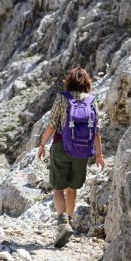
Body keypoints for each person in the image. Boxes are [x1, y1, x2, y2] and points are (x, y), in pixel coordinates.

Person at [38, 67, 105, 248]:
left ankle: (63, 224)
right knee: (72, 189)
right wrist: (99, 155)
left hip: (61, 147)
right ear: (87, 83)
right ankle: (69, 221)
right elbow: (96, 131)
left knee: (57, 189)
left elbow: (52, 124)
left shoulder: (62, 97)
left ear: (69, 81)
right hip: (82, 152)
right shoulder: (92, 101)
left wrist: (42, 144)